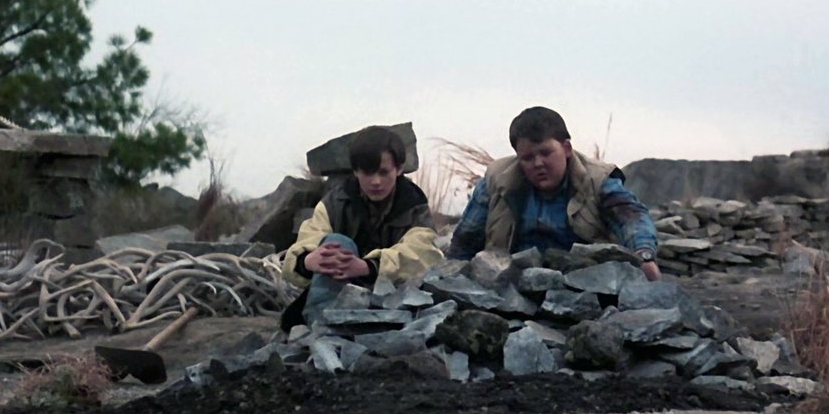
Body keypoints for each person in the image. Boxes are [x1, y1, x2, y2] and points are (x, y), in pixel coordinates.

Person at [447, 106, 661, 281]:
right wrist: (452, 279)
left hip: (583, 284)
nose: (538, 163)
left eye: (546, 153)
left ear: (566, 148)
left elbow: (631, 217)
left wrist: (644, 255)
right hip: (510, 284)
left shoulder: (598, 179)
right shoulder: (496, 180)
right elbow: (465, 240)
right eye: (528, 158)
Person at [280, 125, 444, 331]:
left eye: (384, 172)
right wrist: (308, 260)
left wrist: (369, 267)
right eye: (367, 172)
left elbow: (423, 253)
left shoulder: (414, 205)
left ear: (399, 169)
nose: (376, 182)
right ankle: (321, 327)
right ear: (355, 171)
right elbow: (305, 243)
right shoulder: (334, 203)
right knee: (337, 244)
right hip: (338, 289)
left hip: (394, 299)